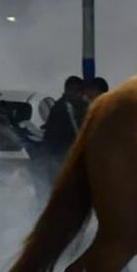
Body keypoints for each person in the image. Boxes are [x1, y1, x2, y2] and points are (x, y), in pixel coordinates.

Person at [34, 76, 87, 204]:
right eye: (79, 92)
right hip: (61, 159)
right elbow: (54, 137)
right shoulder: (62, 109)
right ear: (71, 90)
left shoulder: (74, 107)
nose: (81, 95)